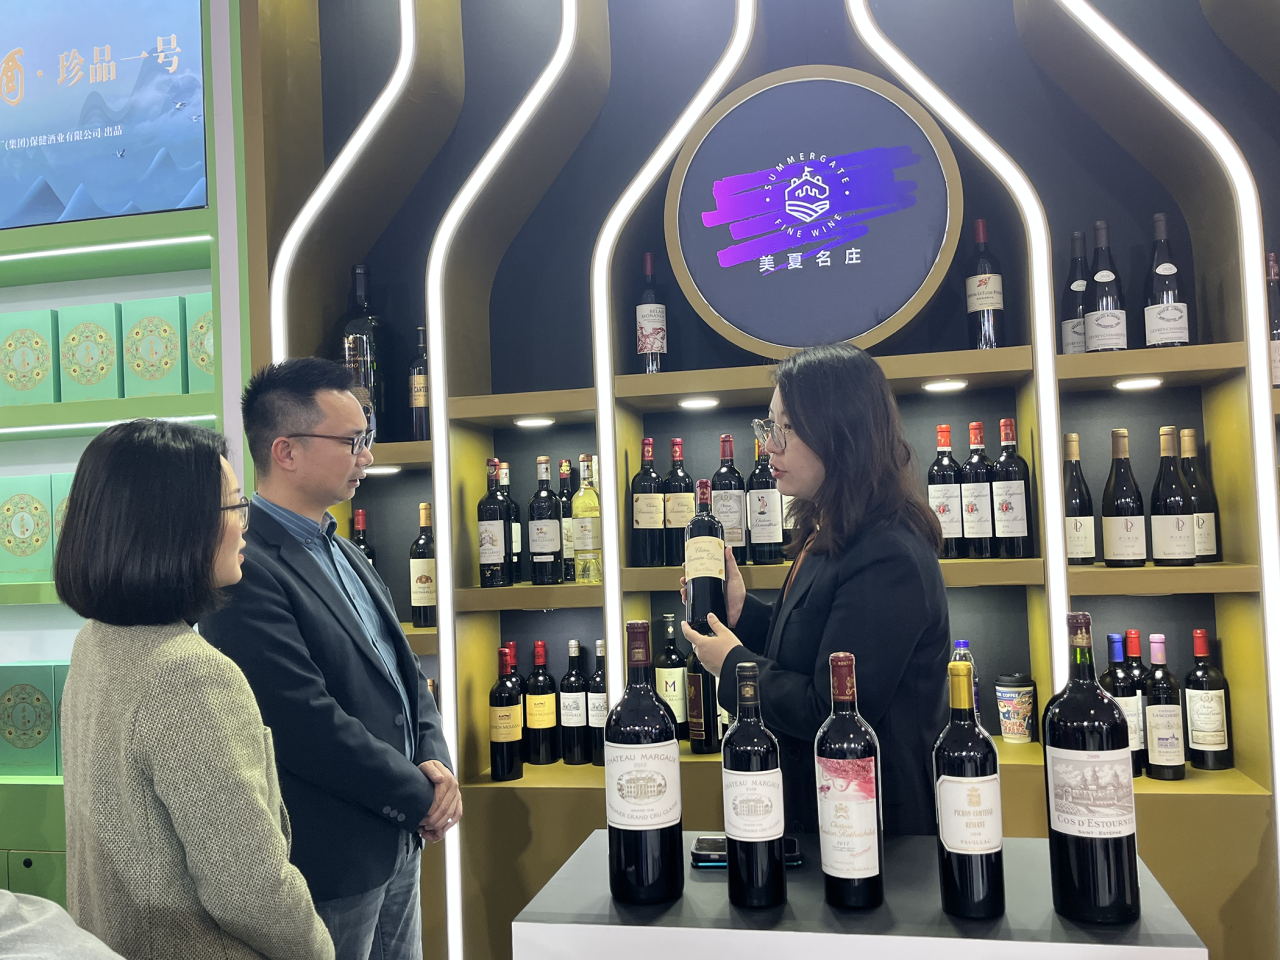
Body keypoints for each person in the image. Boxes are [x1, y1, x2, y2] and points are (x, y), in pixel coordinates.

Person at [201, 358, 458, 960]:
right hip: (333, 856)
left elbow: (403, 673)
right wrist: (419, 795)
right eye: (351, 441)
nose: (366, 455)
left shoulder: (343, 551)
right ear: (286, 450)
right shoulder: (245, 567)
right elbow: (301, 720)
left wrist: (434, 759)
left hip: (397, 840)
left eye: (366, 438)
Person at [56, 420, 334, 960]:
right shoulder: (189, 674)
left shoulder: (96, 640)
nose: (245, 527)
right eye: (235, 506)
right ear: (177, 525)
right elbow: (251, 890)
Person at [682, 342, 950, 836]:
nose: (770, 446)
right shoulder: (827, 528)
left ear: (841, 433)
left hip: (875, 830)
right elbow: (814, 643)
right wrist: (744, 614)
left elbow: (831, 709)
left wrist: (733, 666)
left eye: (787, 428)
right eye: (769, 426)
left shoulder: (888, 554)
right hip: (821, 813)